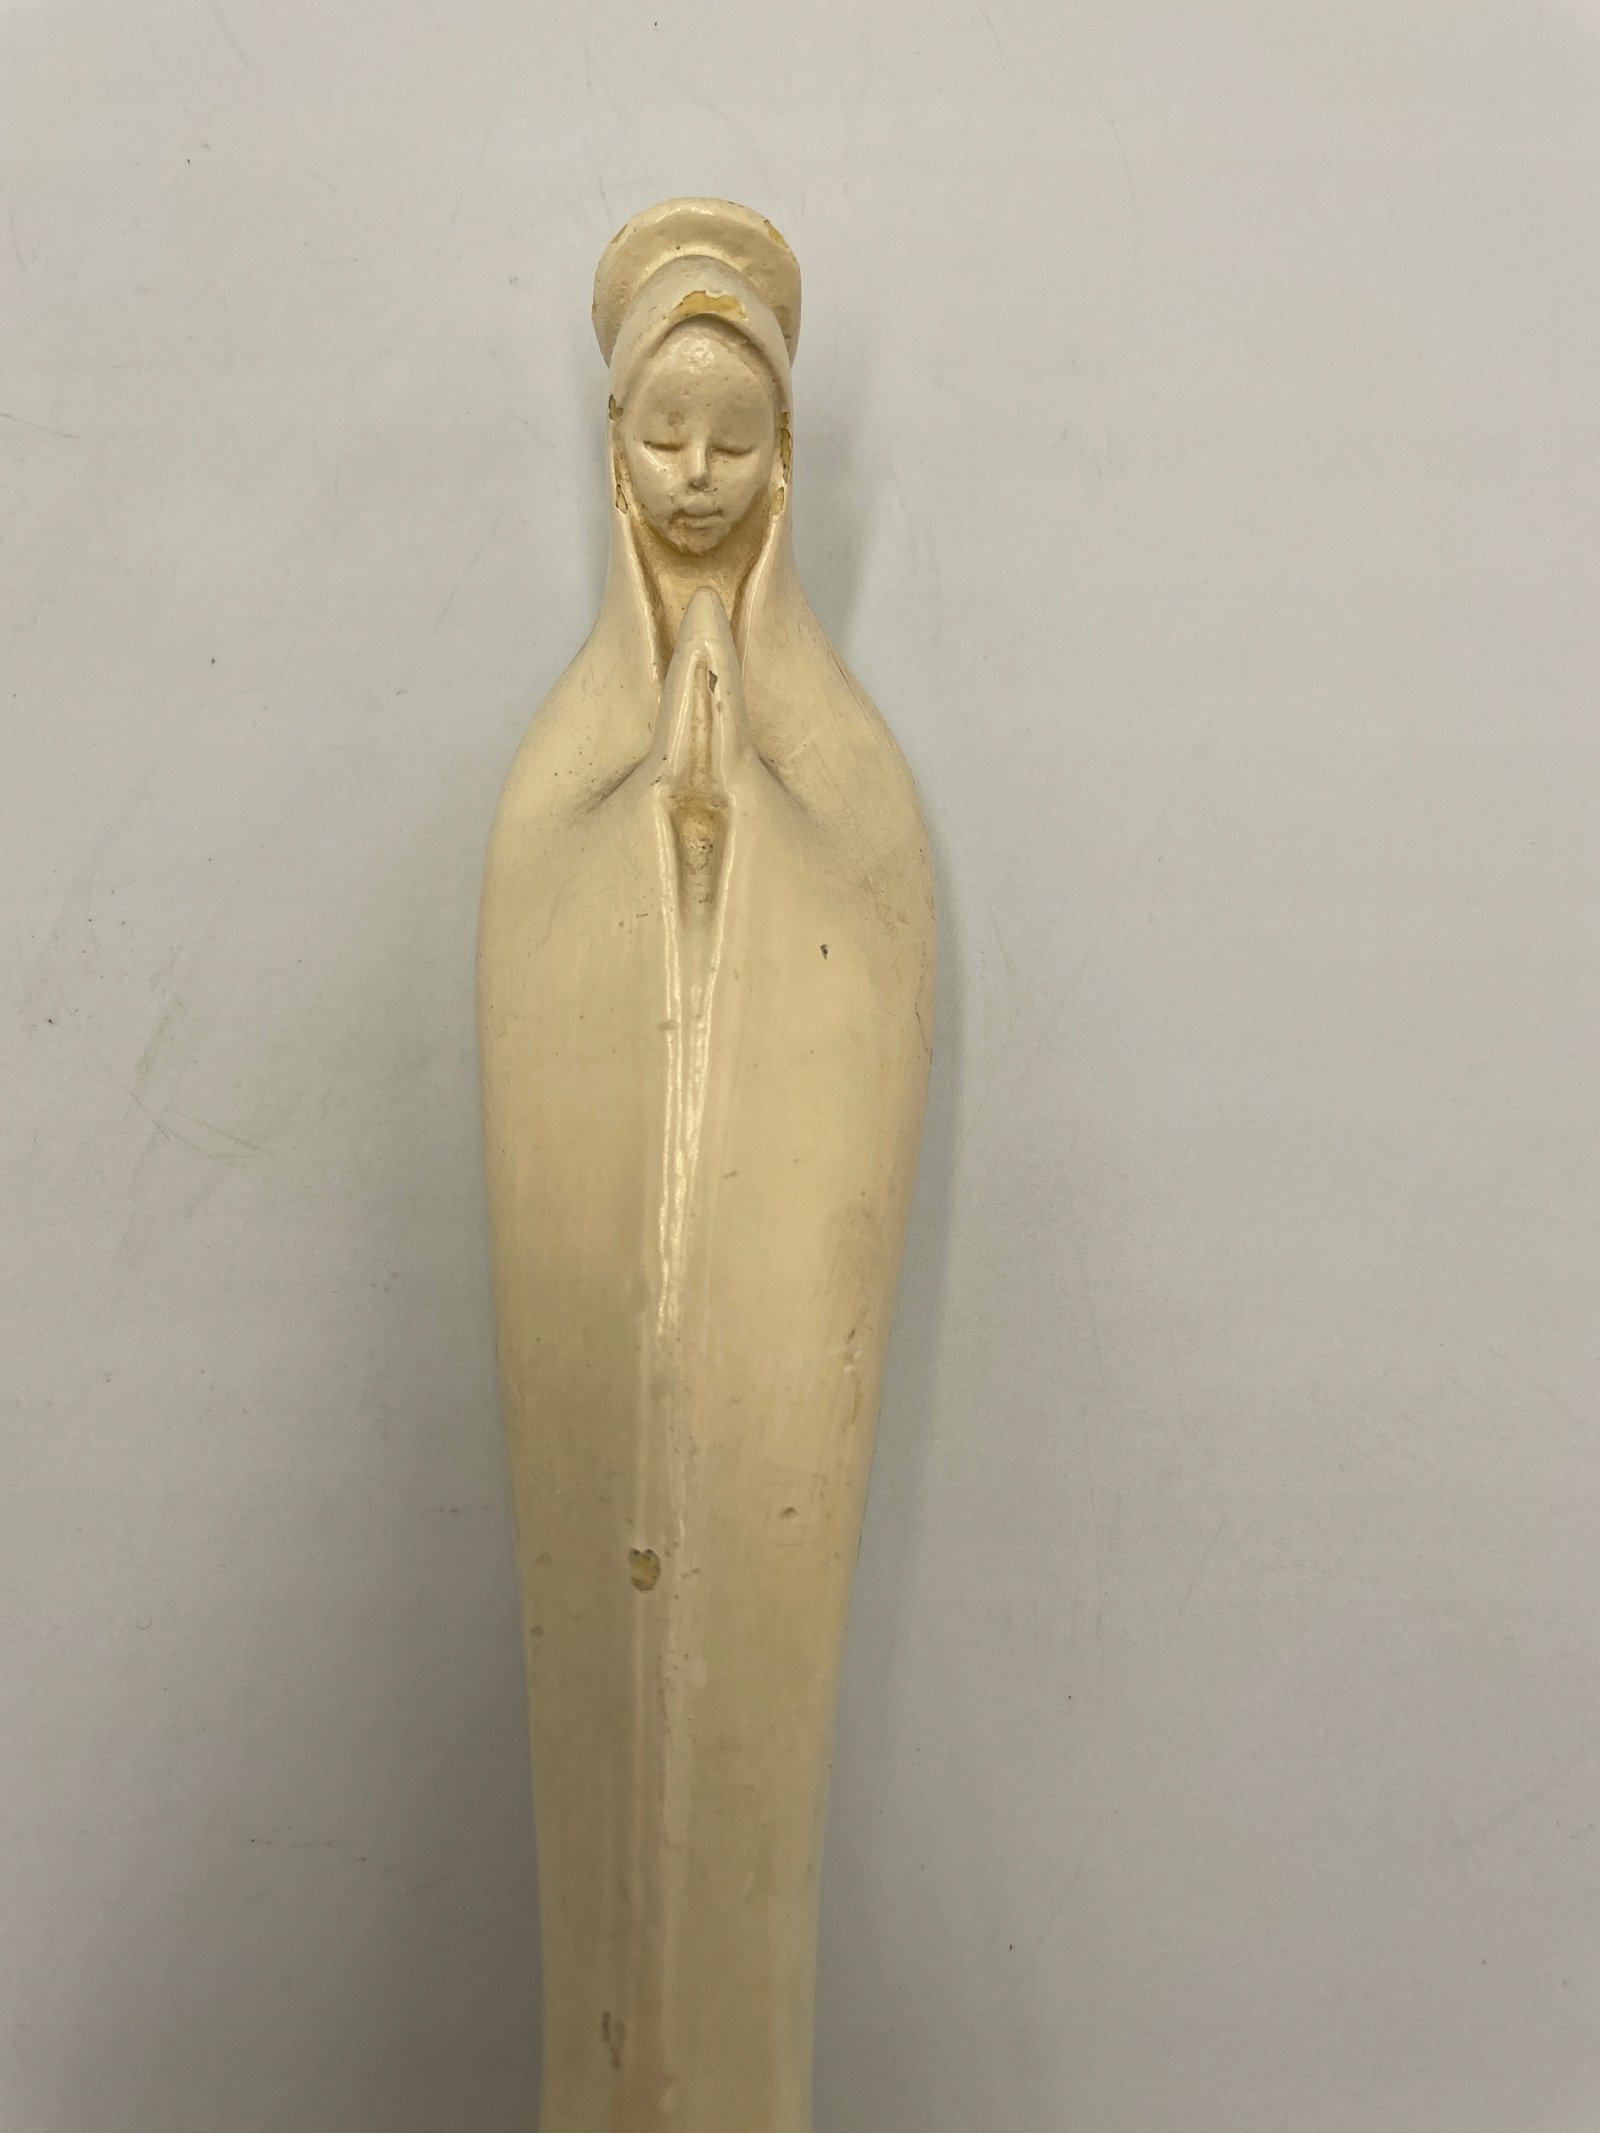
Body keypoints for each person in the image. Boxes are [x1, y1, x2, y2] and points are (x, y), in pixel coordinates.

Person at [478, 199, 934, 2133]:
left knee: (741, 1732)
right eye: (661, 436)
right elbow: (538, 1017)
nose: (694, 477)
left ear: (785, 460)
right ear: (611, 450)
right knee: (605, 1731)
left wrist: (753, 812)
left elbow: (868, 982)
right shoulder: (557, 765)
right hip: (605, 1351)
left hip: (768, 1376)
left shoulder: (854, 767)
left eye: (733, 441)